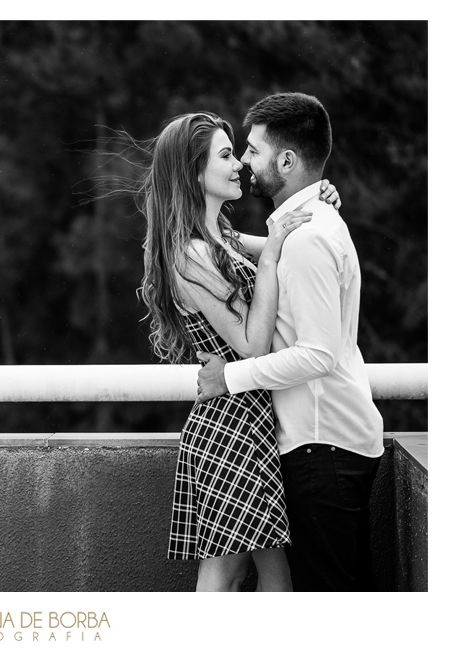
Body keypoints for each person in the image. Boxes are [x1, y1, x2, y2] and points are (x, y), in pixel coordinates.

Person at [129, 111, 340, 591]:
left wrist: (316, 197)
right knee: (224, 573)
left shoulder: (218, 238)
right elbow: (252, 343)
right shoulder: (190, 253)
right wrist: (274, 252)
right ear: (193, 172)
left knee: (272, 569)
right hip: (229, 425)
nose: (239, 165)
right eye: (226, 155)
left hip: (248, 417)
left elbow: (290, 244)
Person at [196, 92, 384, 592]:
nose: (244, 162)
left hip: (323, 450)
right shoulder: (302, 228)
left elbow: (318, 354)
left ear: (286, 160)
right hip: (328, 444)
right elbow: (231, 246)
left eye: (253, 151)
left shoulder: (307, 238)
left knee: (325, 610)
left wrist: (229, 375)